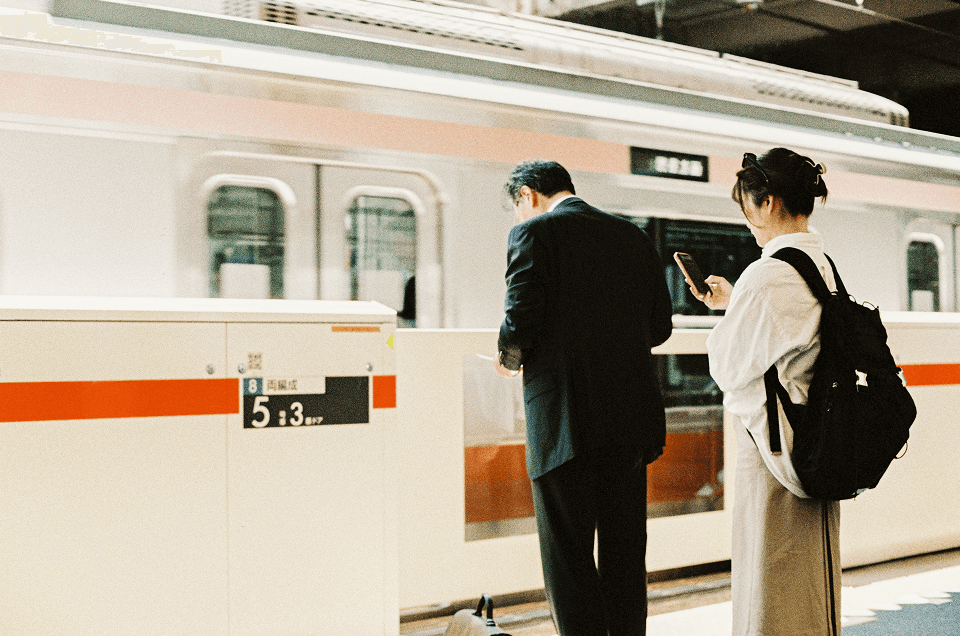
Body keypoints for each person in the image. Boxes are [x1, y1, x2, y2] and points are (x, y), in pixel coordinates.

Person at [496, 160, 673, 636]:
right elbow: (659, 327)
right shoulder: (632, 236)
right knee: (624, 553)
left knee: (568, 556)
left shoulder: (533, 234)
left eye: (517, 207)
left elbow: (520, 322)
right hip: (631, 421)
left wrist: (508, 359)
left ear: (528, 195)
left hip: (564, 422)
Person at [690, 148, 841, 635]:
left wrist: (738, 309)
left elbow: (728, 365)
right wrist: (737, 303)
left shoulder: (768, 272)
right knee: (810, 577)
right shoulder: (820, 262)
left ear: (769, 202)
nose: (748, 221)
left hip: (776, 447)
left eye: (747, 208)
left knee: (769, 577)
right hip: (818, 434)